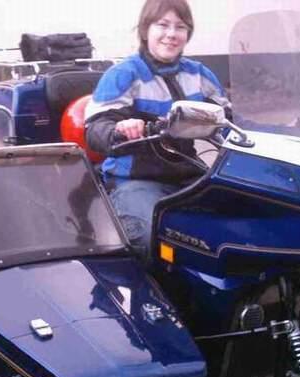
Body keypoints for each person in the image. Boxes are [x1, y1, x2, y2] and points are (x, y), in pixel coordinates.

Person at [85, 0, 230, 256]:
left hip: (188, 171)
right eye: (162, 25)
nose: (171, 34)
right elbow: (96, 128)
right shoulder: (124, 74)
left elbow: (229, 120)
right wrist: (120, 129)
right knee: (148, 238)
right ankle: (149, 282)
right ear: (145, 30)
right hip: (136, 179)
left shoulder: (198, 74)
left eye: (180, 27)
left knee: (239, 218)